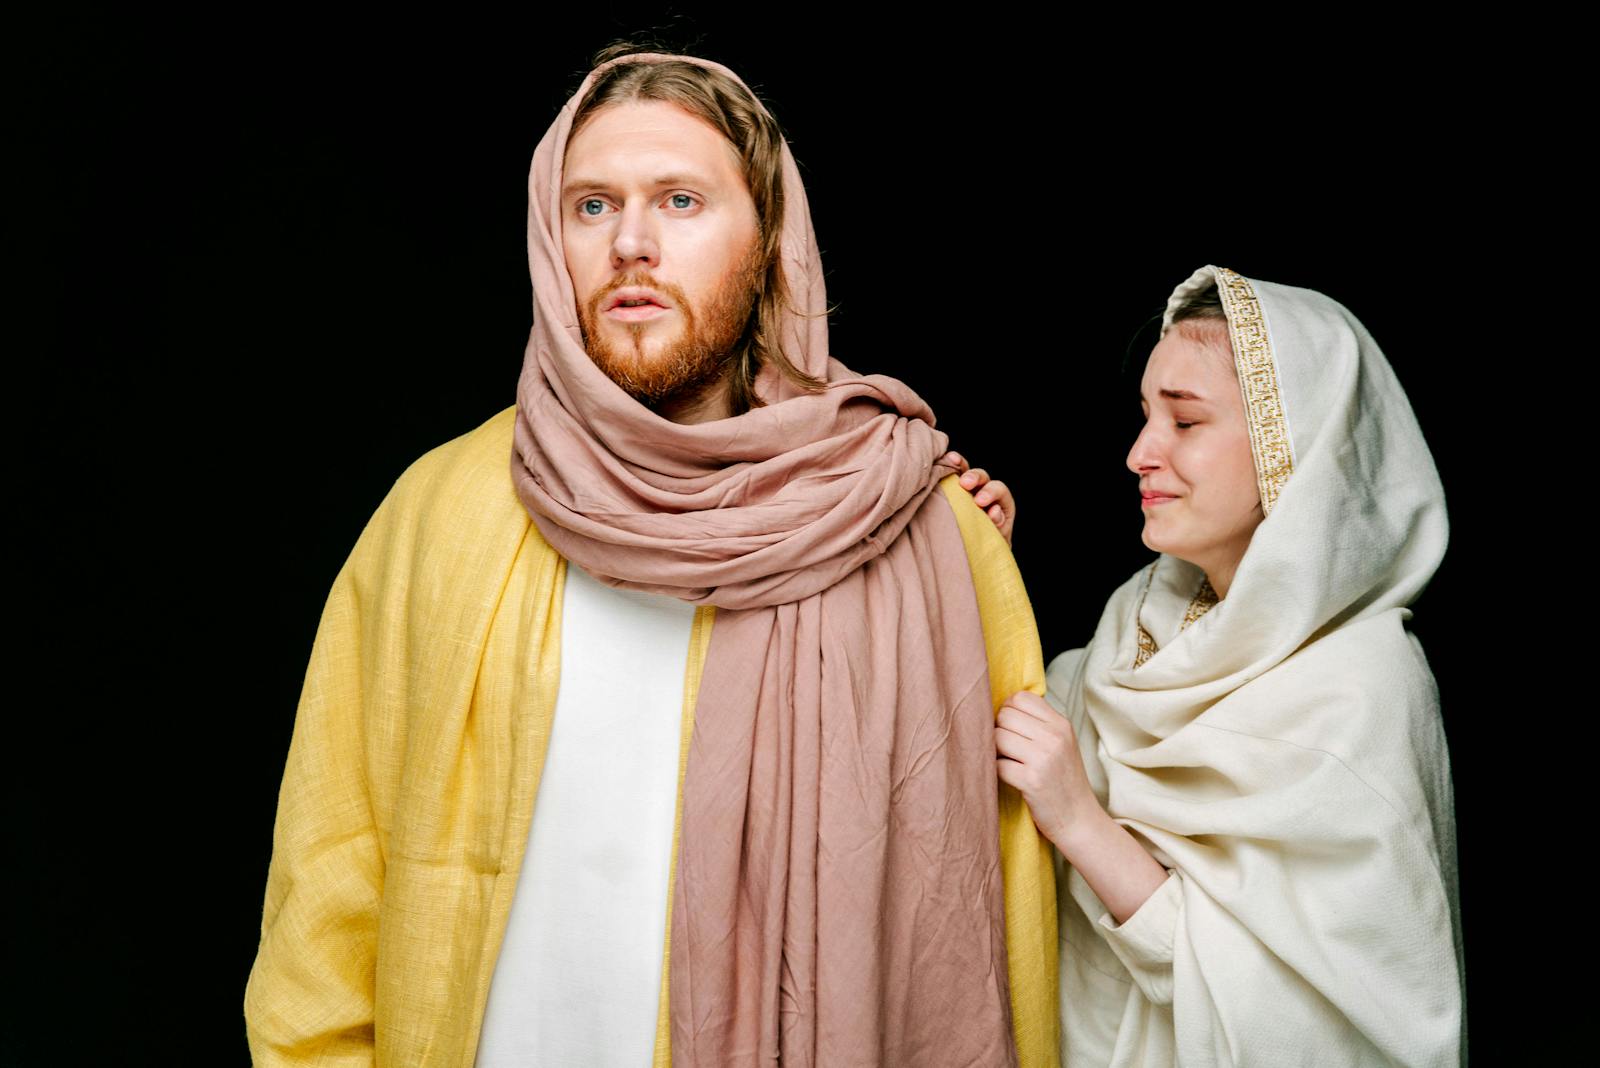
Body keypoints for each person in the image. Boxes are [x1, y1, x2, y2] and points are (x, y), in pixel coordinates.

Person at [243, 47, 1062, 1067]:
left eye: (680, 201)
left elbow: (995, 903)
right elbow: (329, 879)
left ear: (767, 244)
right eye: (591, 207)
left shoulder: (908, 519)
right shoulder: (436, 514)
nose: (631, 242)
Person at [974, 266, 1464, 1064]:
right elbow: (1014, 730)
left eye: (1187, 422)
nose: (1139, 453)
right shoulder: (1142, 616)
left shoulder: (1362, 688)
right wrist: (976, 575)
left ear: (1291, 450)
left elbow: (1316, 1023)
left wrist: (1080, 822)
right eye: (1143, 418)